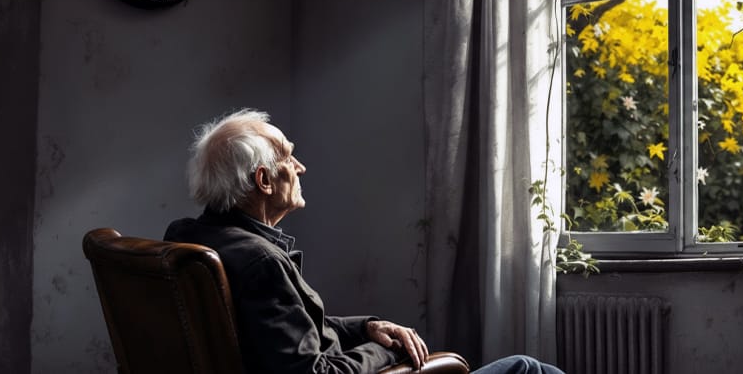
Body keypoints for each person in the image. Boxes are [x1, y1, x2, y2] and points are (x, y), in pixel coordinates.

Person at [165, 109, 564, 374]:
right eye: (288, 157)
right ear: (265, 181)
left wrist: (369, 327)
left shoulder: (189, 240)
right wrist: (388, 352)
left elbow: (277, 331)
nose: (300, 167)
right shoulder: (261, 263)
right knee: (525, 369)